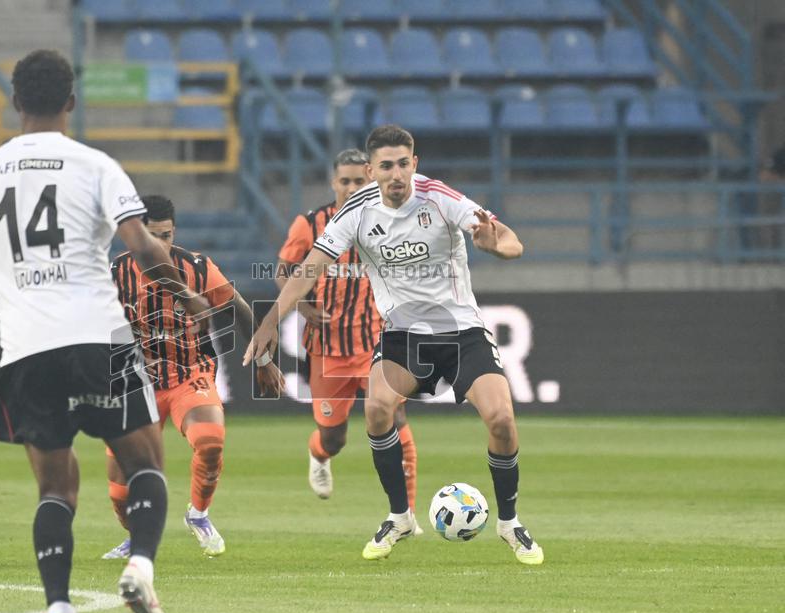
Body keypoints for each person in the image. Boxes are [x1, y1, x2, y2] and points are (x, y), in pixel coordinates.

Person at [0, 50, 203, 613]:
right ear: (72, 102)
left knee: (56, 489)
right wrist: (183, 295)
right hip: (98, 339)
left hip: (27, 350)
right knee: (146, 467)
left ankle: (59, 611)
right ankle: (140, 568)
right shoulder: (95, 166)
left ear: (14, 102)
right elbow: (143, 249)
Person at [245, 124, 543, 565]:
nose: (397, 174)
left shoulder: (440, 197)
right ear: (371, 171)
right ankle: (399, 517)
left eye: (404, 163)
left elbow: (508, 237)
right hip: (403, 334)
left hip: (462, 331)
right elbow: (308, 269)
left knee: (501, 418)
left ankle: (510, 523)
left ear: (414, 163)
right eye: (386, 166)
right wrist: (270, 322)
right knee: (378, 408)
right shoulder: (357, 213)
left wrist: (497, 247)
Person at [102, 194, 284, 560]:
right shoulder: (114, 274)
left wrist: (263, 359)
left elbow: (239, 309)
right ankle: (135, 535)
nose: (160, 245)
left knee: (210, 439)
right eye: (151, 237)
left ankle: (198, 514)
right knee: (120, 494)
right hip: (137, 383)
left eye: (166, 236)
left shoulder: (197, 268)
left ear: (175, 232)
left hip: (190, 374)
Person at [275, 149, 419, 518]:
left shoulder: (391, 220)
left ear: (371, 179)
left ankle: (407, 513)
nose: (353, 187)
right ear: (333, 182)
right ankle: (319, 454)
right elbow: (284, 272)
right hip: (327, 349)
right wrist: (304, 307)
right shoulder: (309, 224)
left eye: (360, 181)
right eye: (346, 181)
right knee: (333, 437)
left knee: (395, 419)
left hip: (376, 345)